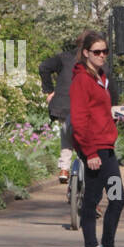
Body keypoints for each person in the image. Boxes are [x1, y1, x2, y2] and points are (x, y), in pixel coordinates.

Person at [70, 30, 124, 247]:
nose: (102, 55)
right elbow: (80, 119)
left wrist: (117, 116)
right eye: (97, 51)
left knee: (118, 198)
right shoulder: (81, 81)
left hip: (107, 147)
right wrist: (90, 152)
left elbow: (100, 113)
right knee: (93, 199)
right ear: (86, 53)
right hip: (94, 149)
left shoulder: (103, 79)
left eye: (105, 51)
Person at [38, 41, 77, 183]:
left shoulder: (64, 57)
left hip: (63, 104)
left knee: (66, 132)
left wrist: (49, 91)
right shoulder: (97, 61)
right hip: (85, 106)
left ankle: (64, 168)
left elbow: (44, 67)